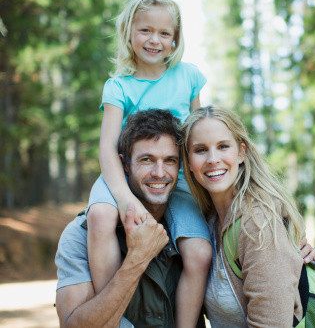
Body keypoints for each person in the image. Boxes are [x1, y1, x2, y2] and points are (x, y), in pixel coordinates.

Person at [86, 0, 211, 326]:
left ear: (175, 40)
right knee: (99, 217)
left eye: (164, 33)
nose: (154, 40)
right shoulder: (118, 87)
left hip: (178, 178)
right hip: (128, 176)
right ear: (130, 32)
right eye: (145, 30)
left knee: (199, 253)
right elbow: (108, 149)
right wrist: (127, 200)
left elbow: (201, 137)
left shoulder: (188, 76)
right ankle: (112, 316)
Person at [56, 109, 207, 327]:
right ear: (125, 165)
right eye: (147, 160)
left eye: (170, 161)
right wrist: (137, 259)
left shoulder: (196, 231)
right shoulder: (80, 235)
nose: (159, 172)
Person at [182, 105, 315, 327]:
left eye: (223, 146)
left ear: (241, 153)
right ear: (188, 162)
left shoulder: (258, 224)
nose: (212, 159)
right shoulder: (207, 220)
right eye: (200, 150)